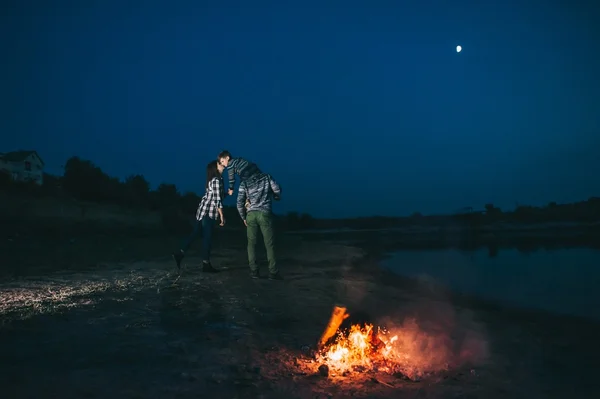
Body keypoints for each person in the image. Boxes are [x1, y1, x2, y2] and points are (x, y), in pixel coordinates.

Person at [172, 160, 225, 272]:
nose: (223, 166)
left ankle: (180, 253)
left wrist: (226, 193)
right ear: (215, 169)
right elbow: (217, 199)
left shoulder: (216, 180)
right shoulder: (215, 180)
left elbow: (217, 195)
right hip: (208, 212)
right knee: (207, 237)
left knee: (195, 234)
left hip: (203, 211)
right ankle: (206, 264)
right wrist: (221, 215)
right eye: (219, 164)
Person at [236, 171, 282, 280]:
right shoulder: (267, 177)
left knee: (251, 243)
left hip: (251, 214)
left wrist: (243, 217)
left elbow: (239, 202)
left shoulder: (244, 183)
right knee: (269, 244)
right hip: (264, 213)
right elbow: (277, 190)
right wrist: (276, 197)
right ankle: (273, 272)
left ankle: (254, 271)